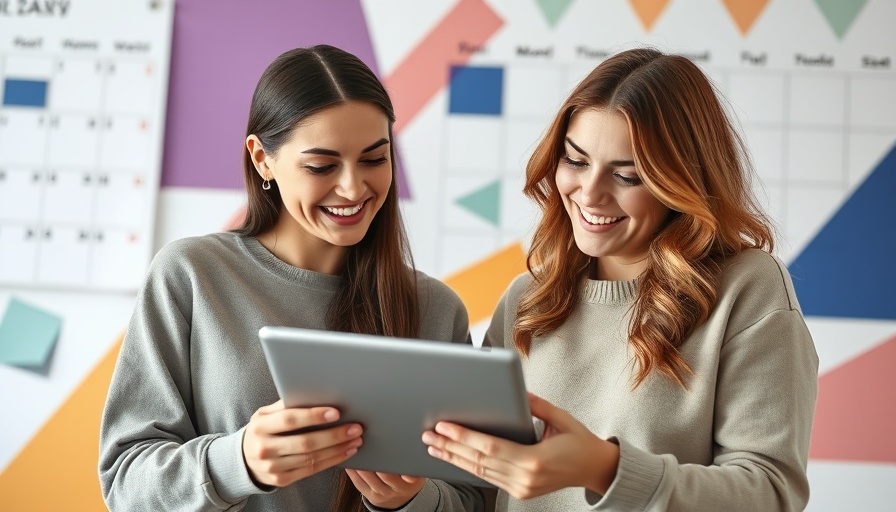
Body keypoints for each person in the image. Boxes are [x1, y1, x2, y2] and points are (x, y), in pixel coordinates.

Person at [422, 47, 819, 511]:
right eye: (575, 160)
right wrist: (407, 500)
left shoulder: (746, 290)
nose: (590, 193)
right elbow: (479, 493)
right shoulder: (527, 299)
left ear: (681, 183)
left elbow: (771, 494)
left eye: (627, 176)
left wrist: (604, 470)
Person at [99, 44, 484, 512]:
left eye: (374, 159)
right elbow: (125, 485)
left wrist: (409, 500)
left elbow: (473, 498)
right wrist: (238, 462)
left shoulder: (436, 309)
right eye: (321, 166)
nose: (352, 188)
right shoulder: (192, 276)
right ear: (263, 159)